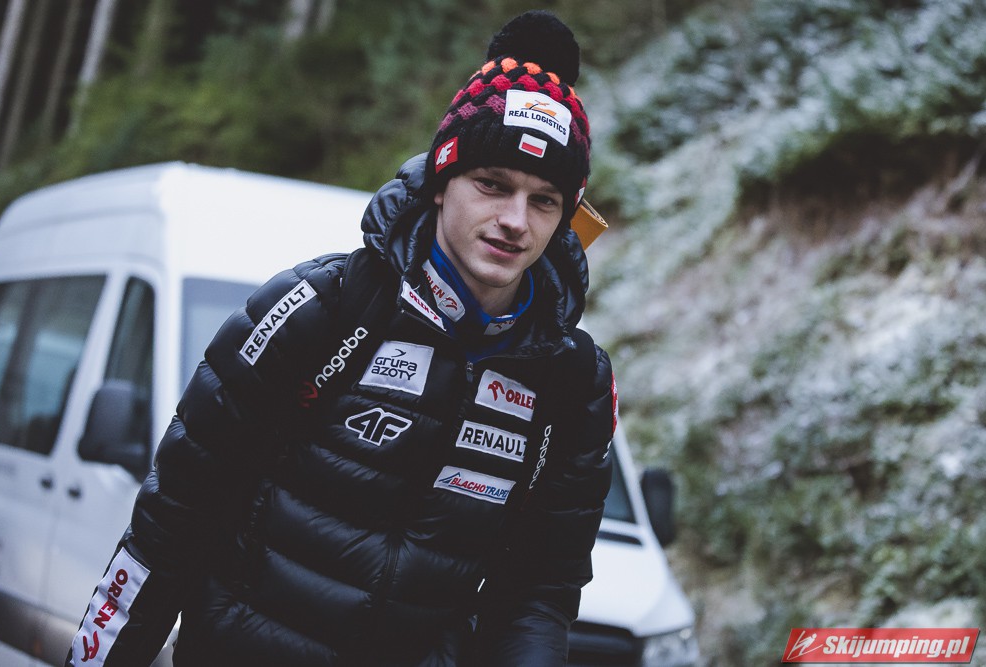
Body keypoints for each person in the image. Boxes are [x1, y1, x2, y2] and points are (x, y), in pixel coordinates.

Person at [68, 9, 616, 666]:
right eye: (492, 185)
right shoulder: (319, 309)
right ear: (442, 183)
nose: (515, 220)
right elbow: (168, 529)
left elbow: (540, 590)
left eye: (544, 200)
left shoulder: (572, 381)